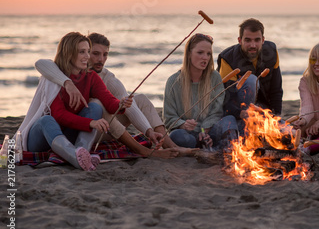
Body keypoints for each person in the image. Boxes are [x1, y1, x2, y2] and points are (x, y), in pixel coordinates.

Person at [35, 33, 182, 158]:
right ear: (73, 52)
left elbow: (123, 105)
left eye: (105, 55)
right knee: (97, 104)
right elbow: (42, 63)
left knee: (140, 98)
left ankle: (170, 144)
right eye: (95, 53)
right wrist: (67, 83)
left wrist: (147, 130)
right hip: (80, 125)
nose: (101, 59)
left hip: (96, 126)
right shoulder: (56, 73)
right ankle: (140, 149)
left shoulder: (104, 78)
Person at [15, 32, 135, 170]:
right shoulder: (53, 78)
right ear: (69, 53)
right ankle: (76, 157)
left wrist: (121, 104)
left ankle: (81, 152)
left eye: (88, 51)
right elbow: (59, 115)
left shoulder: (90, 77)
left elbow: (109, 101)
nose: (87, 57)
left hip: (69, 134)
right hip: (42, 137)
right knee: (46, 120)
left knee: (95, 107)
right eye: (82, 52)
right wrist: (91, 123)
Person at [163, 33, 239, 150]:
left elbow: (217, 112)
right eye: (200, 53)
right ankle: (202, 147)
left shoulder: (215, 77)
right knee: (176, 136)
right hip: (187, 134)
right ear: (189, 54)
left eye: (208, 54)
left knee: (229, 120)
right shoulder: (173, 82)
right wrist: (183, 124)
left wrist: (204, 131)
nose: (205, 57)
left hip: (210, 132)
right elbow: (169, 117)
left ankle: (221, 150)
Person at [217, 18, 283, 124]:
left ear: (263, 40)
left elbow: (276, 89)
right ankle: (247, 124)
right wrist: (240, 113)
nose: (253, 45)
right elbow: (225, 97)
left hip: (262, 107)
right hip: (236, 111)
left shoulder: (272, 51)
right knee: (251, 79)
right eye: (247, 40)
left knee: (286, 130)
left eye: (257, 40)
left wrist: (276, 116)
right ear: (239, 40)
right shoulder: (227, 58)